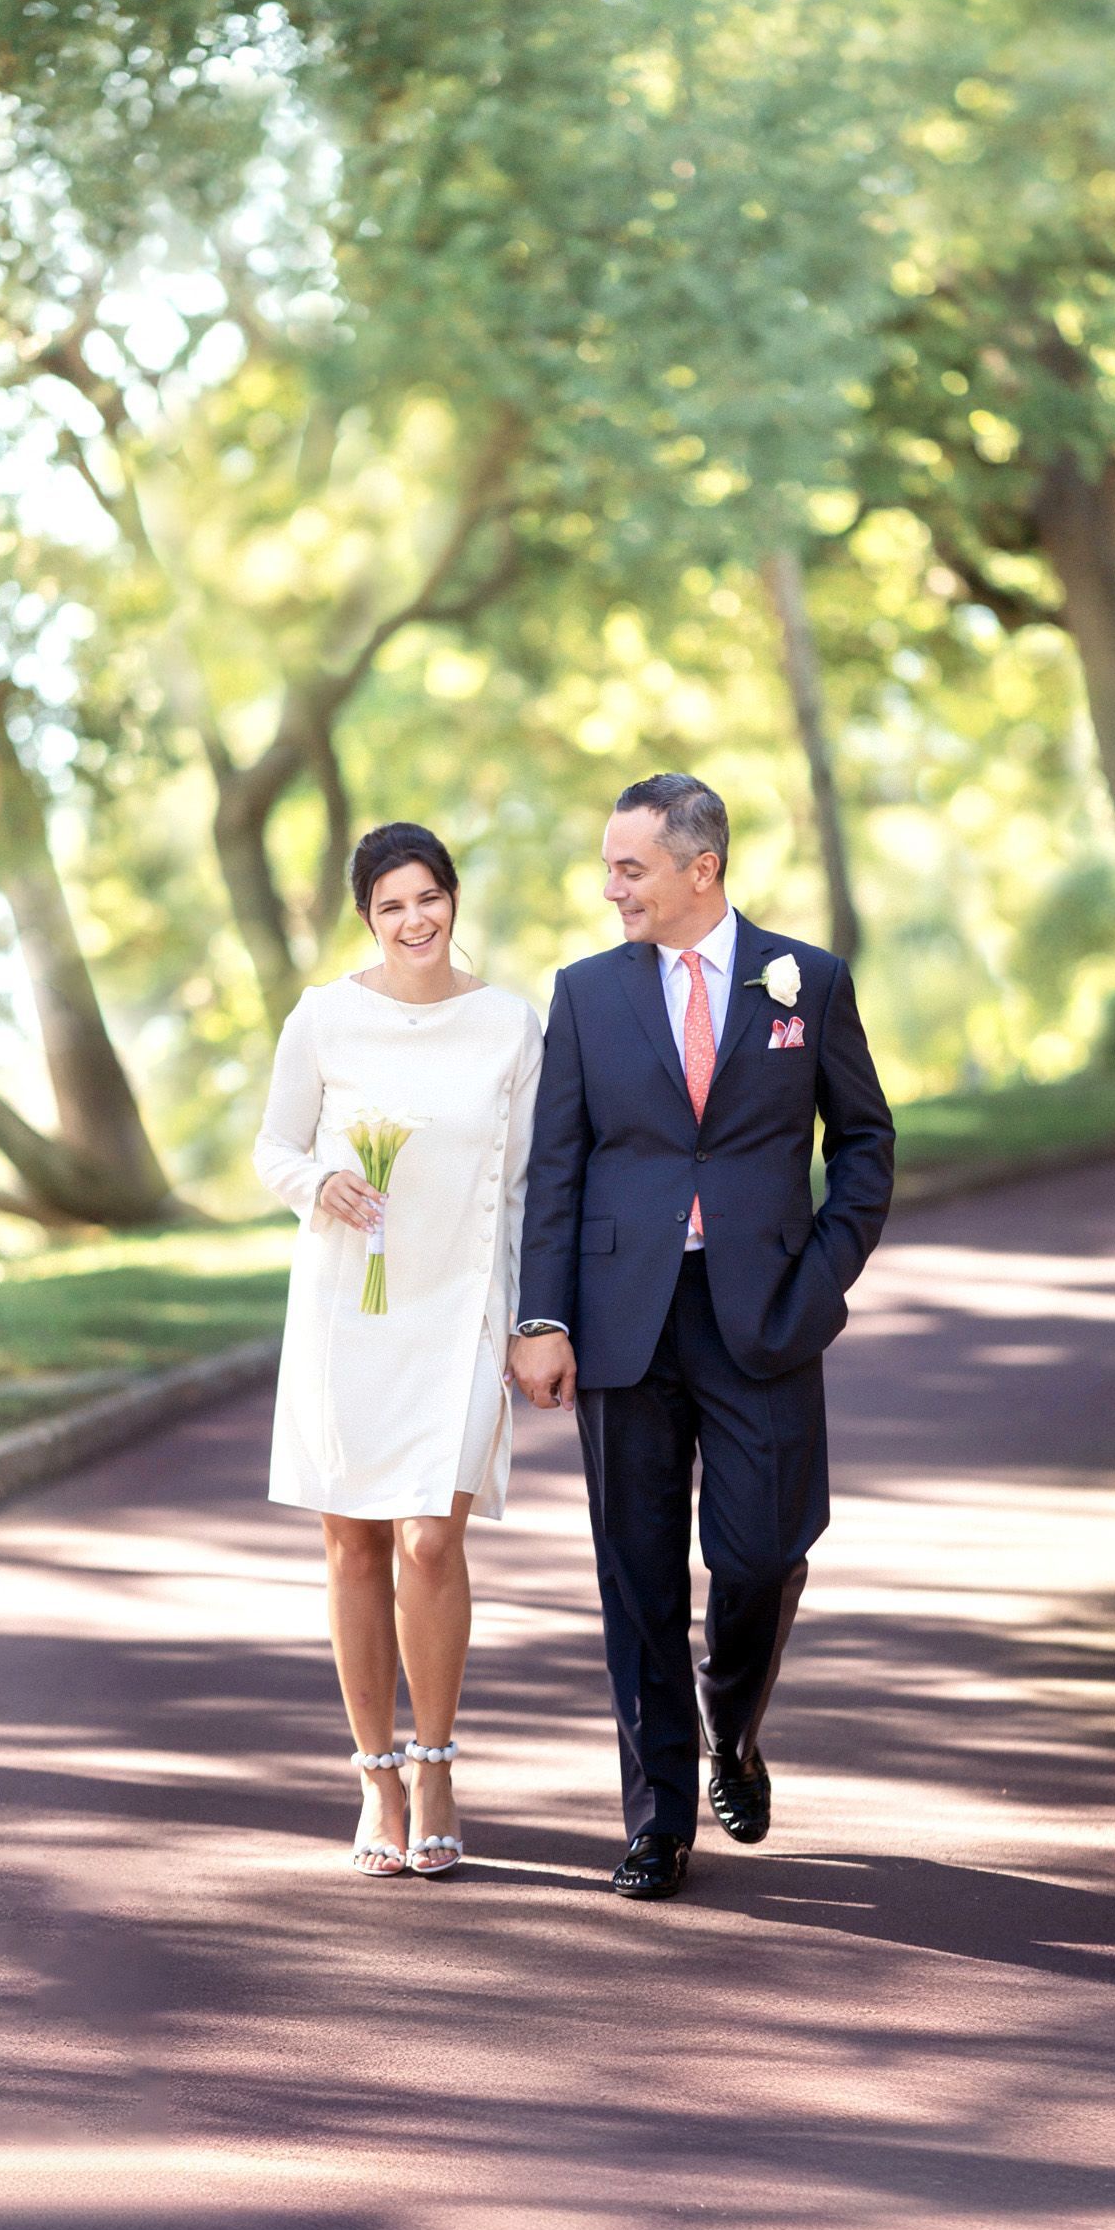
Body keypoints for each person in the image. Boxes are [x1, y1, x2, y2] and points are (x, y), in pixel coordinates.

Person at [511, 774, 893, 1900]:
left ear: (701, 868)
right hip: (624, 1320)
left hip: (765, 1314)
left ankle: (734, 1725)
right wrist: (543, 1316)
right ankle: (657, 1819)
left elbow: (865, 1143)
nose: (611, 885)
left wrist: (819, 1279)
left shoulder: (805, 980)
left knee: (764, 1552)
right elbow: (557, 1171)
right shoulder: (584, 994)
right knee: (635, 1575)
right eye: (609, 865)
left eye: (629, 866)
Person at [254, 822, 543, 1878]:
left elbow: (524, 1188)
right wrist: (315, 1183)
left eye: (428, 897)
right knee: (354, 1544)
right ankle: (375, 1771)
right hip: (347, 1305)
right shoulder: (326, 1017)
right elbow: (274, 1145)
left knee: (430, 1537)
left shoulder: (512, 1024)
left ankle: (437, 1762)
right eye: (391, 906)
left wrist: (528, 1319)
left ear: (453, 898)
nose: (414, 920)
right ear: (366, 917)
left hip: (458, 1307)